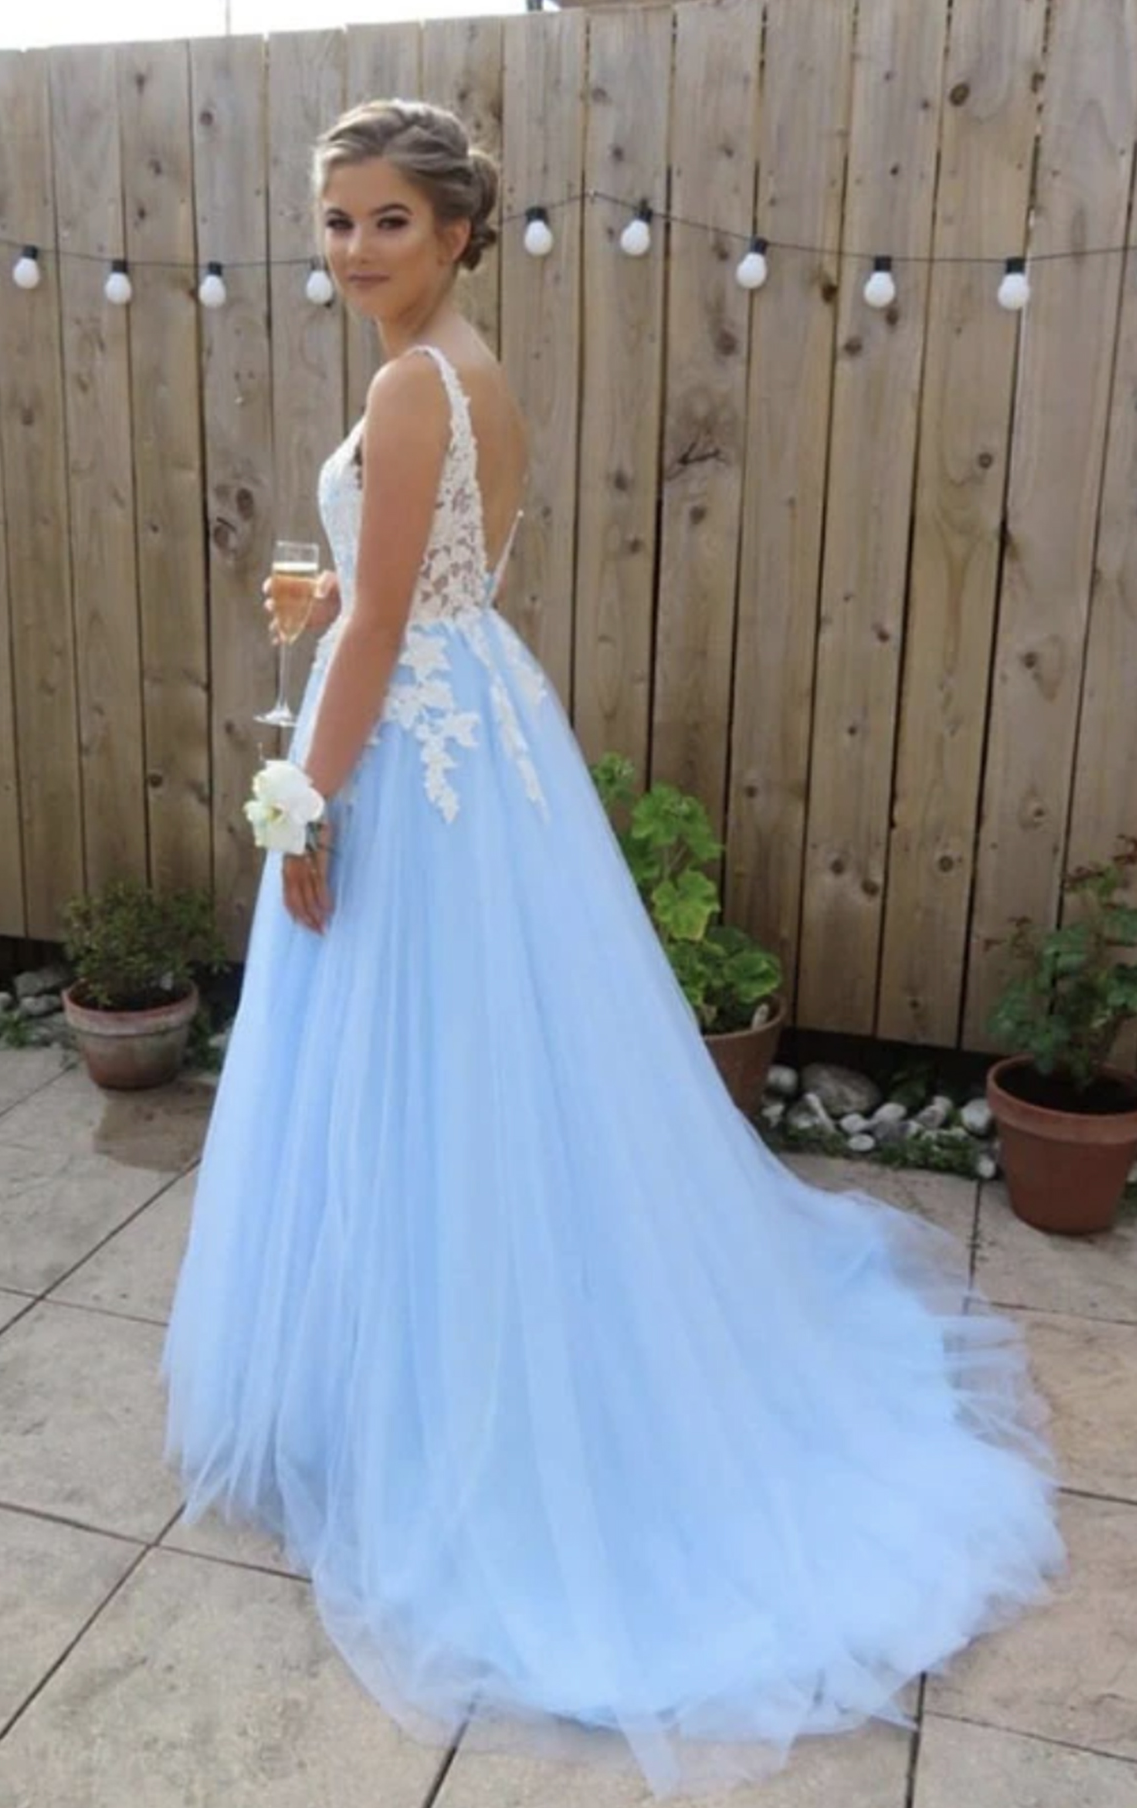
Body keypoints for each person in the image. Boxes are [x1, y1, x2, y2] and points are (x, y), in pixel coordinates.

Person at [160, 99, 1065, 1798]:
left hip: (412, 759)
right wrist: (331, 599)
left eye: (387, 221)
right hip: (471, 717)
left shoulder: (409, 386)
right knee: (471, 1068)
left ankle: (461, 1402)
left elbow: (391, 622)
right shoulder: (464, 370)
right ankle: (432, 1353)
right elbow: (424, 582)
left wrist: (302, 799)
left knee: (421, 1061)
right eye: (336, 219)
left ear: (457, 231)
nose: (354, 248)